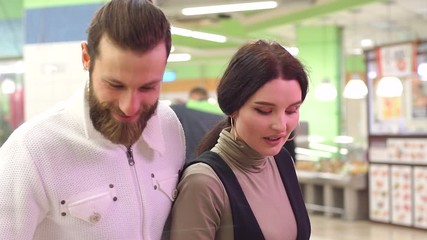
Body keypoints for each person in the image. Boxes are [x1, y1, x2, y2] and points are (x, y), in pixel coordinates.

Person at [0, 0, 185, 239]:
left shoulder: (169, 127)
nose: (129, 107)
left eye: (148, 87)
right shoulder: (32, 151)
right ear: (86, 57)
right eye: (114, 85)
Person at [169, 40, 311, 240]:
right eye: (264, 111)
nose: (280, 125)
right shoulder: (204, 183)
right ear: (234, 108)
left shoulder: (282, 162)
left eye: (292, 110)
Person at [171, 86, 225, 163]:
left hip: (190, 160)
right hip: (214, 161)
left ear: (192, 97)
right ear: (206, 97)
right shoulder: (222, 112)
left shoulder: (182, 110)